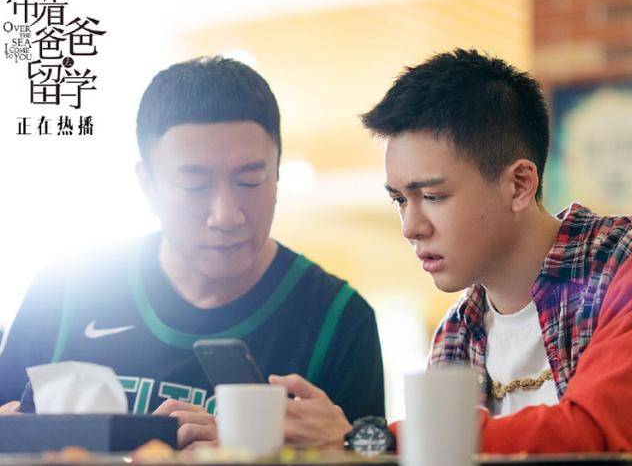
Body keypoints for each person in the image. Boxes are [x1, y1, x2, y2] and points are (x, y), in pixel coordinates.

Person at [0, 56, 384, 449]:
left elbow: (369, 450)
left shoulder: (338, 319)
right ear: (148, 185)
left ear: (277, 174)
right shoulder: (65, 289)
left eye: (250, 180)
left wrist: (346, 447)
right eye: (195, 186)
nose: (226, 216)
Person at [358, 48, 632, 452]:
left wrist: (379, 442)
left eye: (433, 196)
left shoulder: (624, 265)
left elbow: (597, 436)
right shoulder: (457, 333)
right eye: (400, 200)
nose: (411, 227)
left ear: (520, 184)